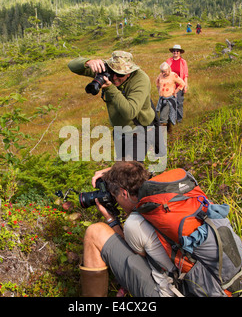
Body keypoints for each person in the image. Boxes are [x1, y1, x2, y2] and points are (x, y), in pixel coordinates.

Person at [80, 161, 178, 297]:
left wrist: (111, 219)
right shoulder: (170, 193)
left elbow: (132, 256)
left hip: (172, 291)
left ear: (124, 193)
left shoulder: (135, 224)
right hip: (203, 282)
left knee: (94, 233)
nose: (116, 201)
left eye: (115, 196)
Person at [68, 51, 156, 161]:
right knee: (121, 167)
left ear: (129, 72)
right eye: (112, 72)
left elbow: (130, 112)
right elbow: (72, 66)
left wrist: (110, 88)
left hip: (138, 132)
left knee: (130, 169)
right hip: (119, 132)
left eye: (120, 74)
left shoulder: (141, 79)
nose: (114, 78)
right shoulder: (106, 70)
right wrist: (88, 62)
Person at [155, 62, 185, 131]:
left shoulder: (173, 75)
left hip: (169, 99)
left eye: (164, 72)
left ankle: (162, 135)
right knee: (167, 115)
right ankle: (169, 131)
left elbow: (182, 83)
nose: (163, 73)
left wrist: (176, 91)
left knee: (163, 117)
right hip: (162, 99)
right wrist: (159, 90)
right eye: (162, 71)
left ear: (169, 70)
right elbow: (157, 82)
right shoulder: (160, 75)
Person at [166, 45, 188, 123]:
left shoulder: (183, 62)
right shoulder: (168, 61)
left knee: (179, 103)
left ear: (180, 52)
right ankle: (171, 119)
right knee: (170, 103)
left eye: (177, 51)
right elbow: (164, 72)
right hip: (170, 86)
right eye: (174, 51)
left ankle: (179, 120)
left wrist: (185, 86)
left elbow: (185, 75)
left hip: (180, 86)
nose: (175, 52)